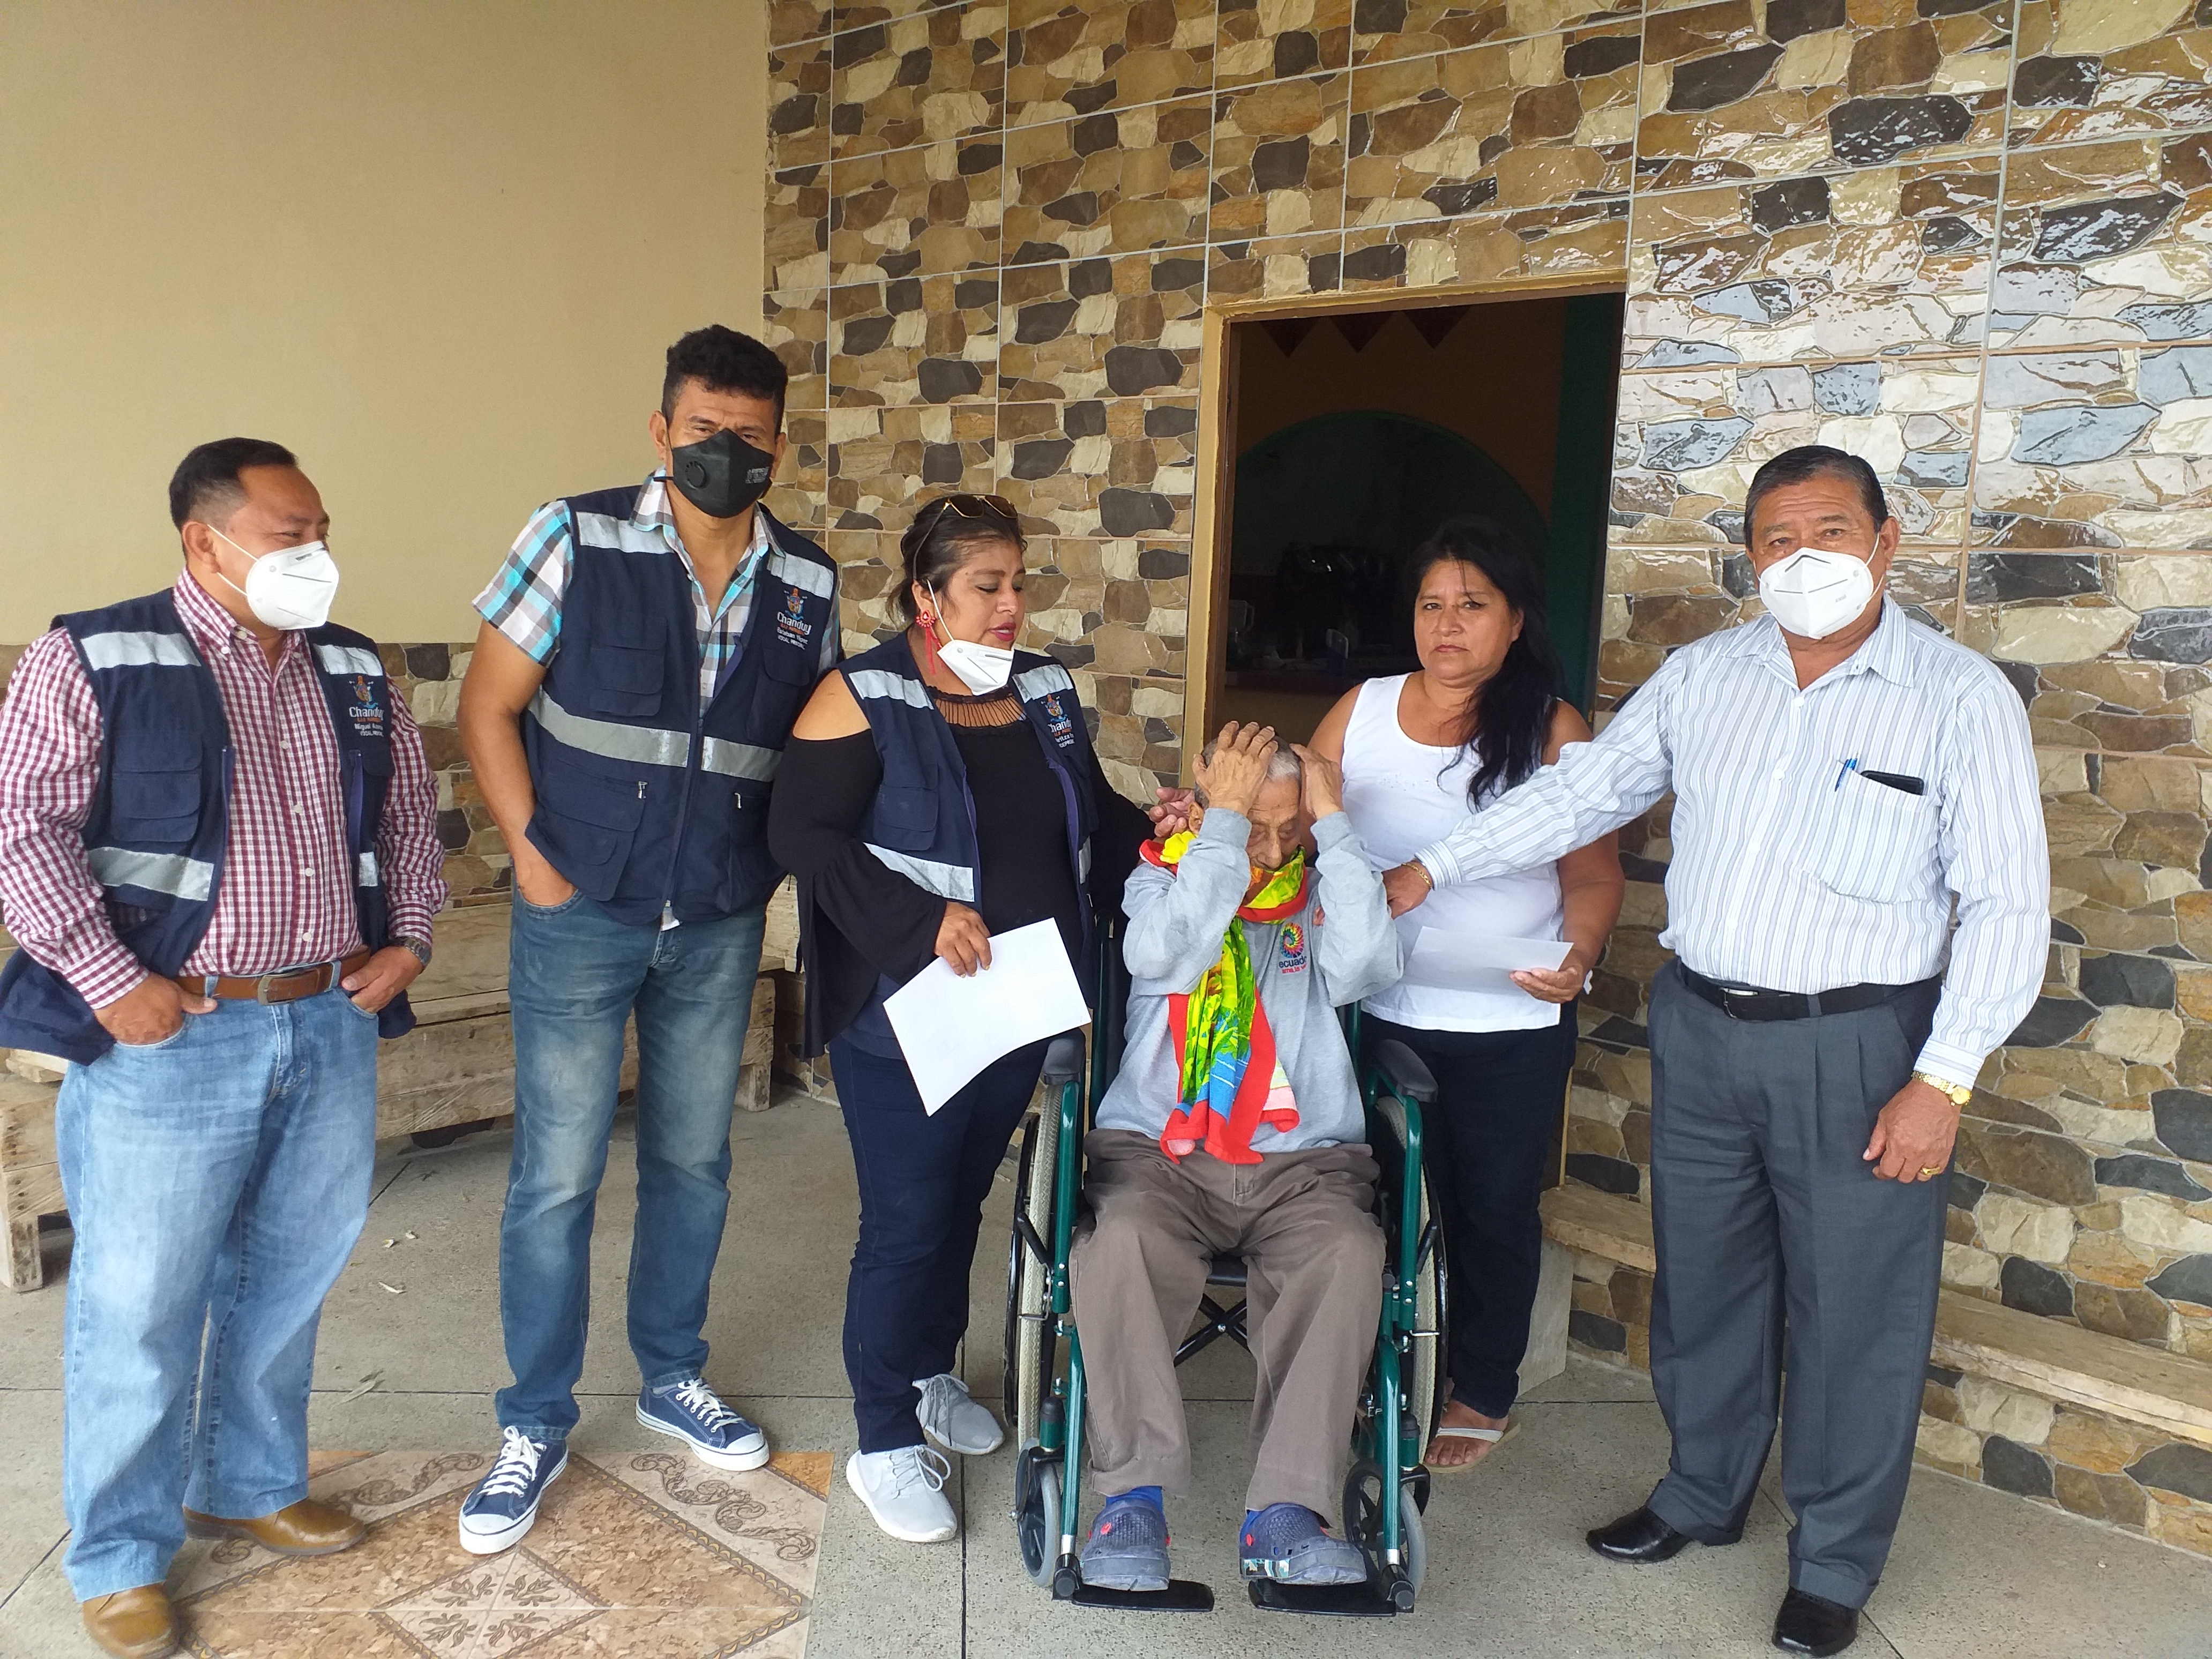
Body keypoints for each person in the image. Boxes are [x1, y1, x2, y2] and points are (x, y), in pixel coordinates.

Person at [1385, 446, 2047, 1656]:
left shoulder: (1958, 698)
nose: (1806, 559)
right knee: (1705, 1282)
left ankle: (1833, 1562)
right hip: (1702, 1027)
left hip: (1860, 1042)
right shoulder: (1704, 676)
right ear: (1750, 556)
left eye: (1831, 532)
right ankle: (1702, 1492)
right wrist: (1432, 865)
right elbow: (1584, 795)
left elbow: (2007, 904)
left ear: (1885, 542)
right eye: (1779, 539)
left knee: (1855, 1313)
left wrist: (1943, 1078)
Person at [0, 438, 446, 1659]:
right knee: (140, 1300)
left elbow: (409, 814)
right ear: (206, 541)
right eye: (289, 534)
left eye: (323, 530)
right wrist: (109, 984)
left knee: (288, 1275)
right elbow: (25, 831)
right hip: (174, 1032)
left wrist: (409, 936)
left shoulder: (350, 665)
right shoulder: (95, 654)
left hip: (326, 1015)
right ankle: (120, 1556)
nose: (317, 553)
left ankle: (247, 1484)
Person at [453, 325, 839, 1554]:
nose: (727, 451)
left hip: (717, 917)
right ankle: (534, 1419)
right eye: (705, 429)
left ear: (780, 445)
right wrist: (532, 857)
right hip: (581, 910)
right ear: (662, 431)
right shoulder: (575, 537)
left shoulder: (807, 583)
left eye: (751, 435)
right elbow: (488, 706)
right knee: (557, 1177)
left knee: (694, 1163)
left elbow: (819, 744)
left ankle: (672, 1371)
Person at [767, 492, 1156, 1546]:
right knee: (903, 1221)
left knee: (961, 1203)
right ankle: (884, 1438)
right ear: (926, 595)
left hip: (1021, 998)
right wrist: (918, 918)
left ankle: (928, 1372)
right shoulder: (864, 693)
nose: (1011, 605)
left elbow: (1089, 813)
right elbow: (802, 832)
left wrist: (1167, 838)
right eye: (987, 586)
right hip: (909, 1008)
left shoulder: (1044, 689)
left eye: (1019, 584)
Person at [1310, 515, 1623, 1471]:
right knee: (1380, 1201)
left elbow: (1593, 873)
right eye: (1431, 604)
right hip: (1377, 1009)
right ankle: (1385, 1365)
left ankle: (1483, 1384)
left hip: (1508, 1019)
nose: (1447, 625)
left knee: (1492, 1207)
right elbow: (1296, 823)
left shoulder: (1553, 730)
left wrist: (1579, 957)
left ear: (1516, 620)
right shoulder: (1362, 709)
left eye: (1473, 605)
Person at [1072, 724, 1406, 1593]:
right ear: (1211, 803)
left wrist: (1333, 828)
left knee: (1350, 1252)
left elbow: (1369, 966)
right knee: (1119, 1243)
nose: (1271, 851)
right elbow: (1171, 952)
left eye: (1289, 830)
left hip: (1304, 1167)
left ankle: (1287, 1511)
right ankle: (1131, 1501)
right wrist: (1219, 824)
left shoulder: (1323, 891)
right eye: (1254, 827)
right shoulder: (1162, 876)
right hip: (1162, 1157)